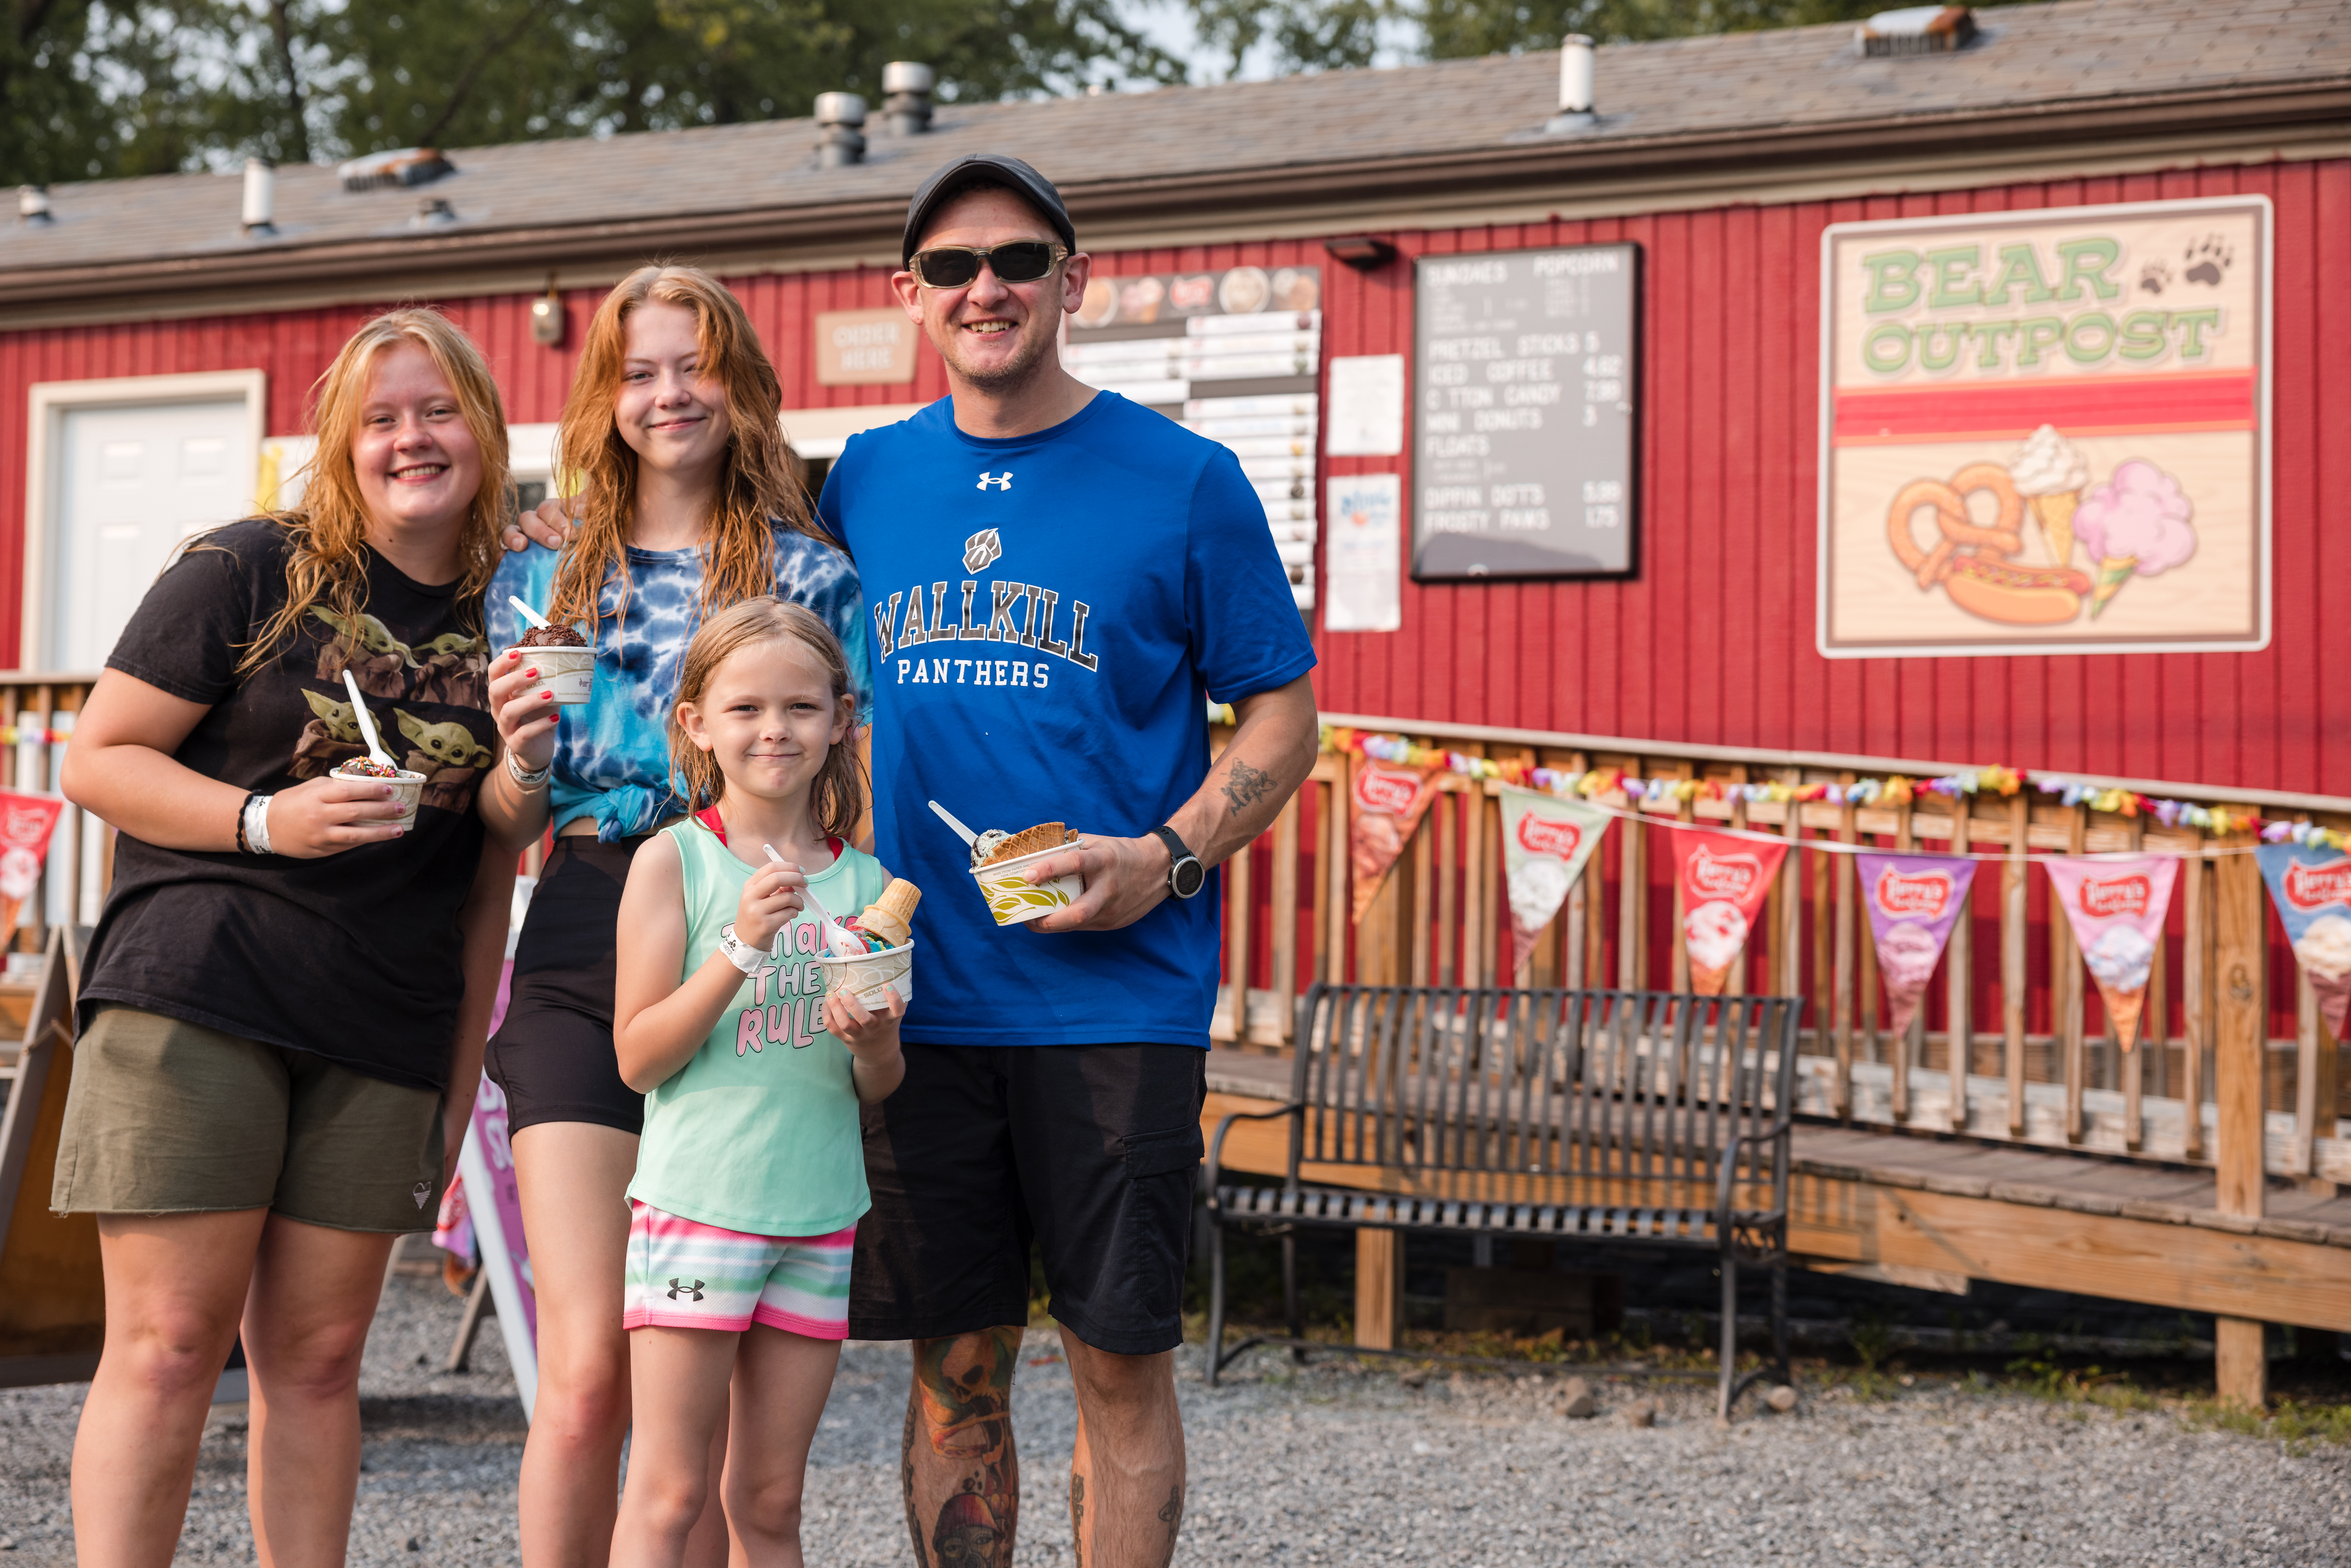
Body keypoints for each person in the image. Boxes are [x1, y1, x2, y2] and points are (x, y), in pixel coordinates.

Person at [826, 154, 1320, 1567]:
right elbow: (729, 589)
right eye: (951, 265)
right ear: (908, 295)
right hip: (920, 996)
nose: (986, 287)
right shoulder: (866, 478)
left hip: (1115, 996)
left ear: (1073, 280)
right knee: (953, 1360)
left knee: (1117, 1357)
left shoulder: (1183, 483)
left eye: (1019, 260)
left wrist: (1168, 855)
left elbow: (1282, 712)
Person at [54, 307, 516, 1568]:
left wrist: (457, 1082)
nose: (412, 437)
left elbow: (488, 875)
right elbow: (100, 757)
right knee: (167, 1345)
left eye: (439, 410)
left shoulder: (509, 614)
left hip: (384, 1023)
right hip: (199, 990)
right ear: (339, 442)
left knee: (316, 1360)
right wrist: (268, 819)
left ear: (483, 427)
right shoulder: (253, 566)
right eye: (382, 417)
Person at [480, 264, 872, 1568]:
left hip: (757, 927)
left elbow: (849, 796)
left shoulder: (813, 574)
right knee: (590, 1367)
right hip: (594, 923)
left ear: (742, 386)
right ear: (604, 394)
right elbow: (509, 817)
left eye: (694, 365)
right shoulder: (544, 569)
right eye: (639, 370)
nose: (669, 394)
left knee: (698, 1410)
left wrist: (847, 952)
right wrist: (522, 760)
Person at [606, 596, 904, 1567]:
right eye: (745, 709)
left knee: (770, 1500)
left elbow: (879, 1084)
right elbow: (639, 1058)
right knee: (670, 1491)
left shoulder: (867, 887)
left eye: (801, 708)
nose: (775, 729)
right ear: (695, 723)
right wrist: (740, 945)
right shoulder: (674, 862)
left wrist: (870, 1043)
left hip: (820, 1213)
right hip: (702, 1207)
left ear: (841, 719)